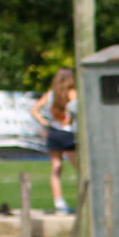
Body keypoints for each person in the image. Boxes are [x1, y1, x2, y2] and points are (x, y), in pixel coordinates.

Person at [29, 68, 77, 213]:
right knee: (79, 168)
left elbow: (34, 110)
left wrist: (45, 123)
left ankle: (59, 202)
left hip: (54, 132)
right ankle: (85, 200)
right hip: (69, 133)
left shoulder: (51, 94)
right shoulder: (72, 93)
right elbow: (76, 111)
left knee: (56, 168)